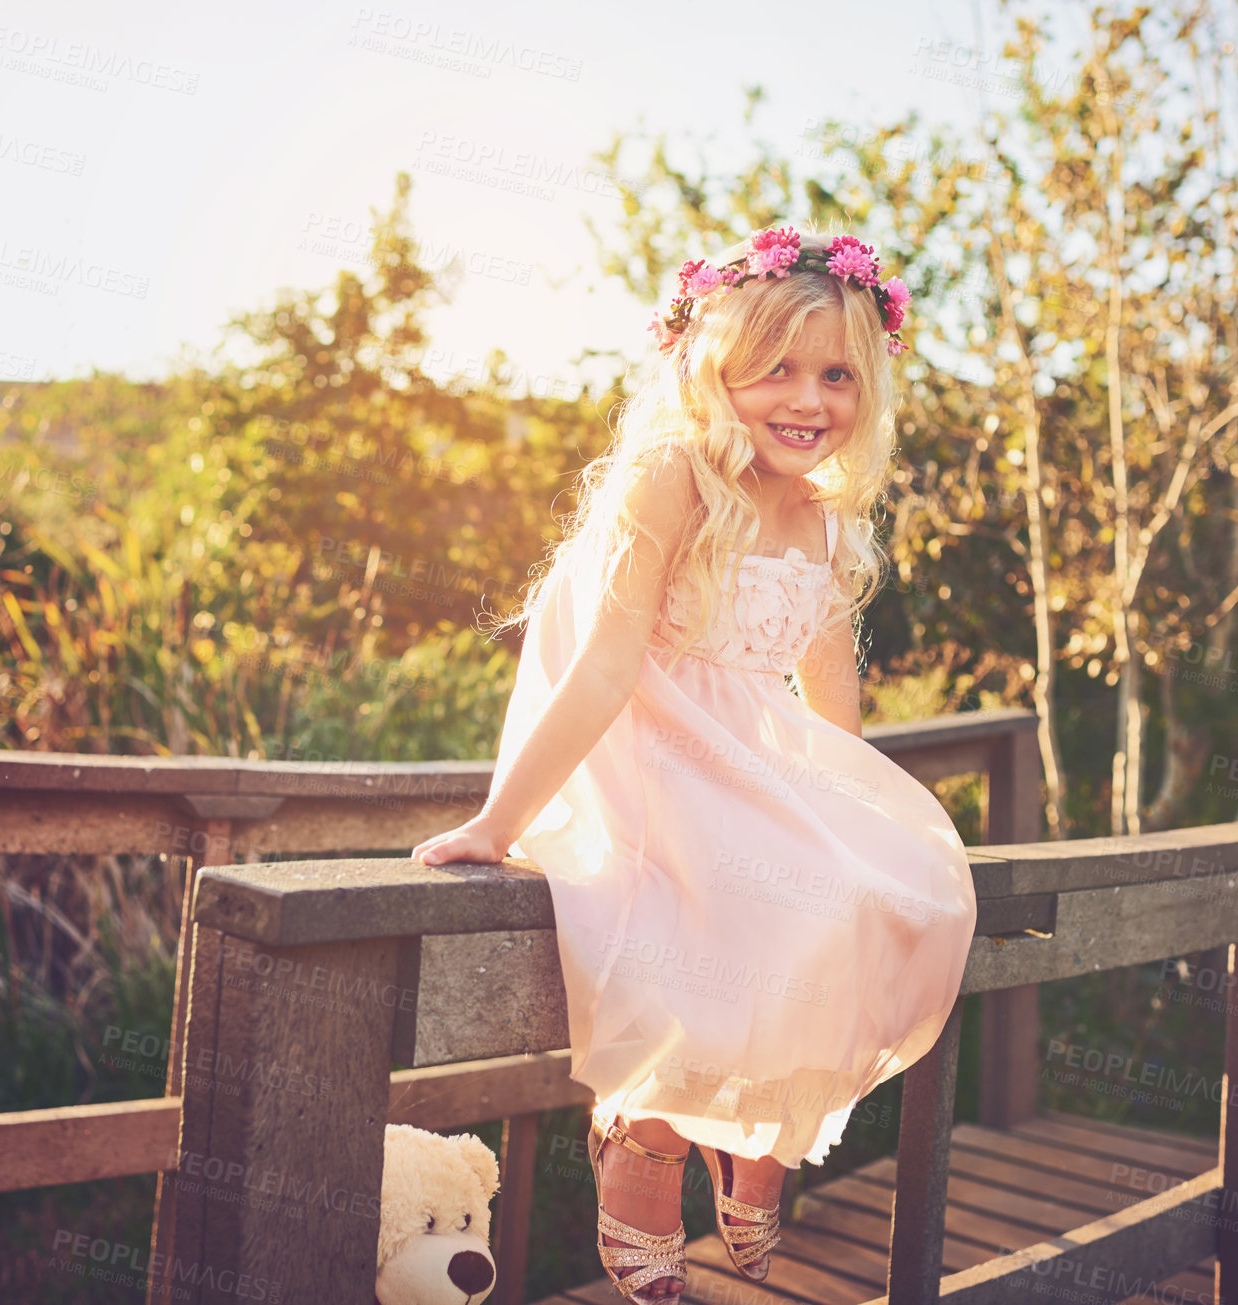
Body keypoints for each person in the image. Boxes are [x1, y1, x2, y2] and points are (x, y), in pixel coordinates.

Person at [412, 227, 978, 1302]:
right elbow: (600, 668)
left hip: (744, 757)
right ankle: (645, 1141)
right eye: (774, 368)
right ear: (710, 370)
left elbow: (830, 711)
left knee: (870, 893)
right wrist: (497, 821)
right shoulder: (671, 477)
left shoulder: (820, 519)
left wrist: (851, 818)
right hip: (642, 753)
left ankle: (757, 1137)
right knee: (704, 912)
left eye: (835, 374)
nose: (805, 397)